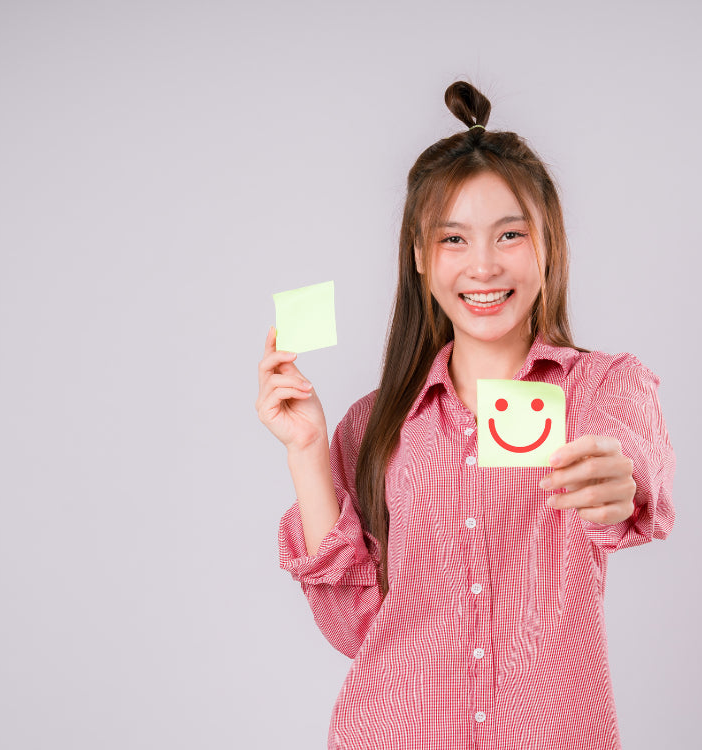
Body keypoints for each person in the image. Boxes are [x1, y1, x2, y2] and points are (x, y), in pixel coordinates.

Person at [255, 80, 676, 750]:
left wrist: (616, 481)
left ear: (548, 245)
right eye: (453, 239)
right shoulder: (373, 426)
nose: (482, 265)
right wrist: (306, 450)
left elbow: (632, 469)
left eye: (509, 234)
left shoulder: (598, 389)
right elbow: (355, 631)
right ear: (421, 258)